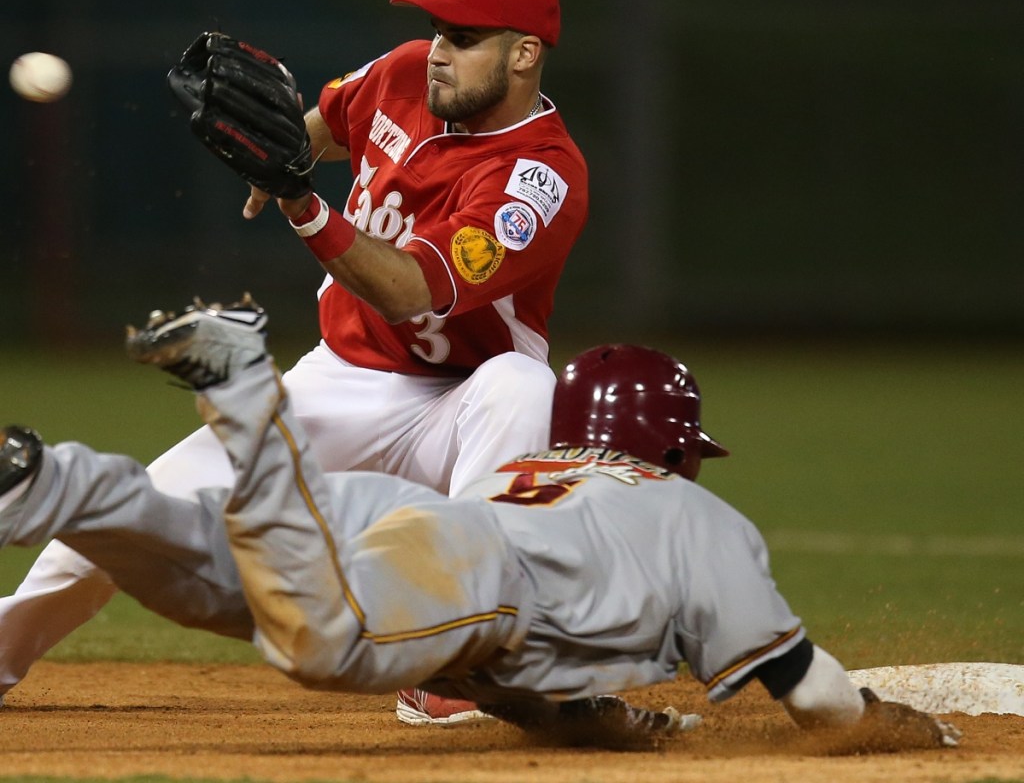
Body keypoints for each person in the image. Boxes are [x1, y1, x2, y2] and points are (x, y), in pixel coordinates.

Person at [0, 0, 588, 726]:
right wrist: (286, 152)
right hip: (338, 382)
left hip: (459, 408)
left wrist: (301, 200)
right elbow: (325, 125)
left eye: (467, 35)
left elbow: (411, 290)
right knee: (141, 506)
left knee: (525, 385)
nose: (441, 48)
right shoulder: (408, 70)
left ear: (524, 54)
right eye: (439, 25)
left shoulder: (539, 178)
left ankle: (464, 656)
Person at [0, 298, 960, 752]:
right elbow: (812, 691)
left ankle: (73, 485)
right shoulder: (684, 516)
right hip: (444, 584)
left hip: (412, 528)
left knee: (222, 571)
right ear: (670, 447)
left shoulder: (535, 473)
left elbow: (521, 690)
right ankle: (223, 404)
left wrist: (607, 726)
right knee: (307, 627)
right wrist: (896, 731)